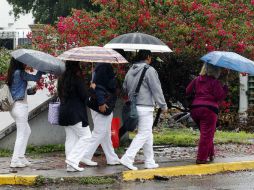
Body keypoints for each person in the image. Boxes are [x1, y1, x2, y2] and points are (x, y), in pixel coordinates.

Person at [120, 50, 168, 170]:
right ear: (147, 57)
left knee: (148, 134)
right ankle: (128, 157)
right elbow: (156, 89)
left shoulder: (130, 70)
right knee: (144, 133)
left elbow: (124, 88)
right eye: (150, 57)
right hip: (145, 106)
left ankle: (149, 161)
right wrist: (163, 105)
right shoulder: (149, 70)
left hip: (134, 106)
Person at [186, 63, 228, 164]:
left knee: (207, 133)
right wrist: (225, 87)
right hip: (209, 110)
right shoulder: (215, 82)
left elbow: (187, 91)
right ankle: (201, 158)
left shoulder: (197, 79)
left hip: (195, 109)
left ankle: (211, 154)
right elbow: (220, 96)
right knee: (207, 135)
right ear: (216, 71)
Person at [6, 58, 44, 168]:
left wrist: (32, 91)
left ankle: (21, 157)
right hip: (20, 107)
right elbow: (36, 77)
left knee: (27, 131)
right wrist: (41, 69)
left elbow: (19, 90)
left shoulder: (13, 73)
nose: (25, 63)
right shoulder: (20, 73)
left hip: (14, 107)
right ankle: (14, 161)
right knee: (21, 134)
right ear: (19, 62)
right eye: (23, 61)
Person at [57, 61, 93, 172]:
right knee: (86, 137)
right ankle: (72, 160)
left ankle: (70, 166)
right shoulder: (77, 79)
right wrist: (91, 88)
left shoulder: (61, 79)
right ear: (77, 66)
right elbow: (85, 96)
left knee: (71, 139)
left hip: (64, 112)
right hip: (76, 114)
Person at [81, 62, 120, 166]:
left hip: (97, 105)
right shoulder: (104, 66)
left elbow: (96, 85)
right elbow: (100, 87)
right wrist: (102, 102)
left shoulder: (98, 67)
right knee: (100, 132)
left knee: (105, 134)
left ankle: (112, 158)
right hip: (101, 105)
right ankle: (85, 155)